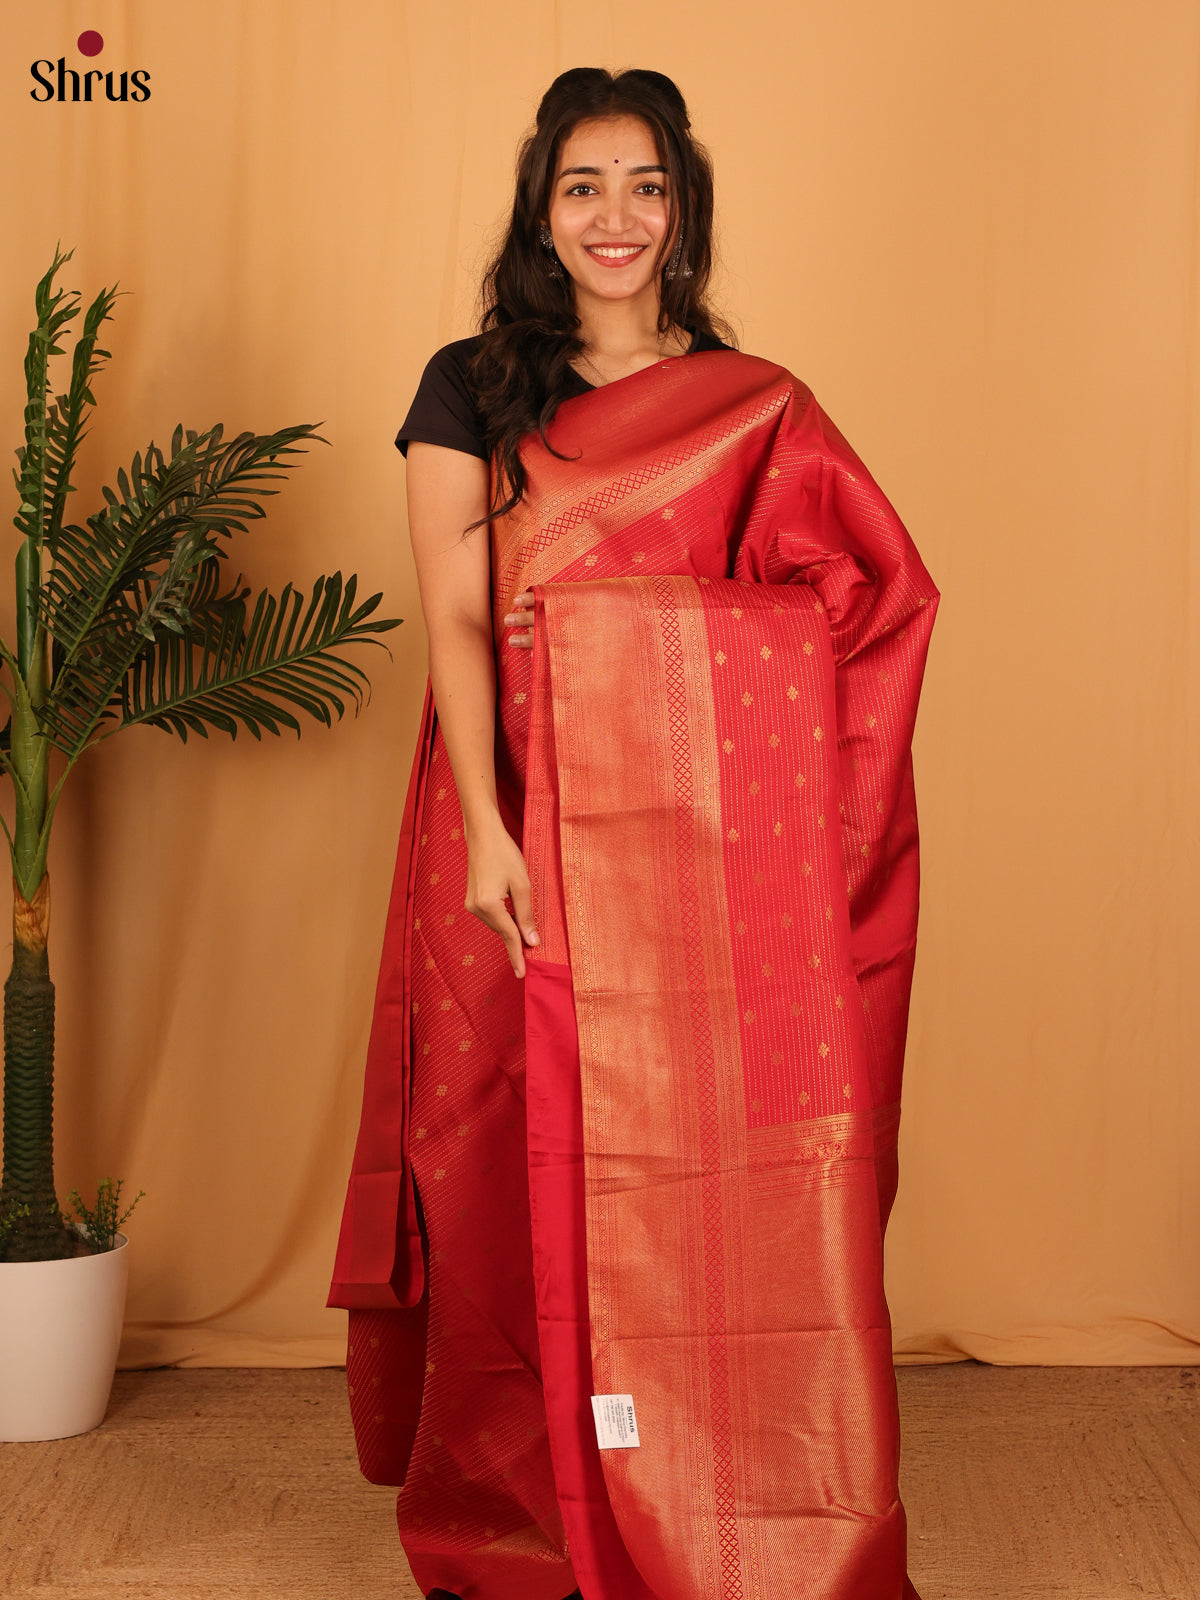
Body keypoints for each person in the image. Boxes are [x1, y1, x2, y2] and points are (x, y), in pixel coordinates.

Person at [328, 65, 938, 1600]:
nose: (616, 217)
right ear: (544, 210)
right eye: (584, 186)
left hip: (693, 872)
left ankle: (710, 1492)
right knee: (495, 1167)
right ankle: (533, 1514)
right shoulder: (472, 385)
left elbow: (845, 612)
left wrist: (638, 653)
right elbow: (460, 627)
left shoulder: (747, 402)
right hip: (512, 826)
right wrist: (485, 826)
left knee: (691, 1177)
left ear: (684, 210)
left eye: (645, 186)